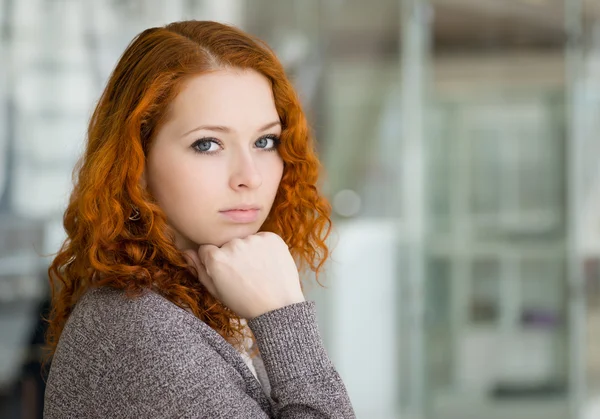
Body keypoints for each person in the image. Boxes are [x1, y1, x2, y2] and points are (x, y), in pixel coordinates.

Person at [43, 20, 355, 418]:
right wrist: (283, 318)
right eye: (207, 144)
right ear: (134, 162)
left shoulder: (202, 297)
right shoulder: (145, 335)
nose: (250, 177)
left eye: (265, 141)